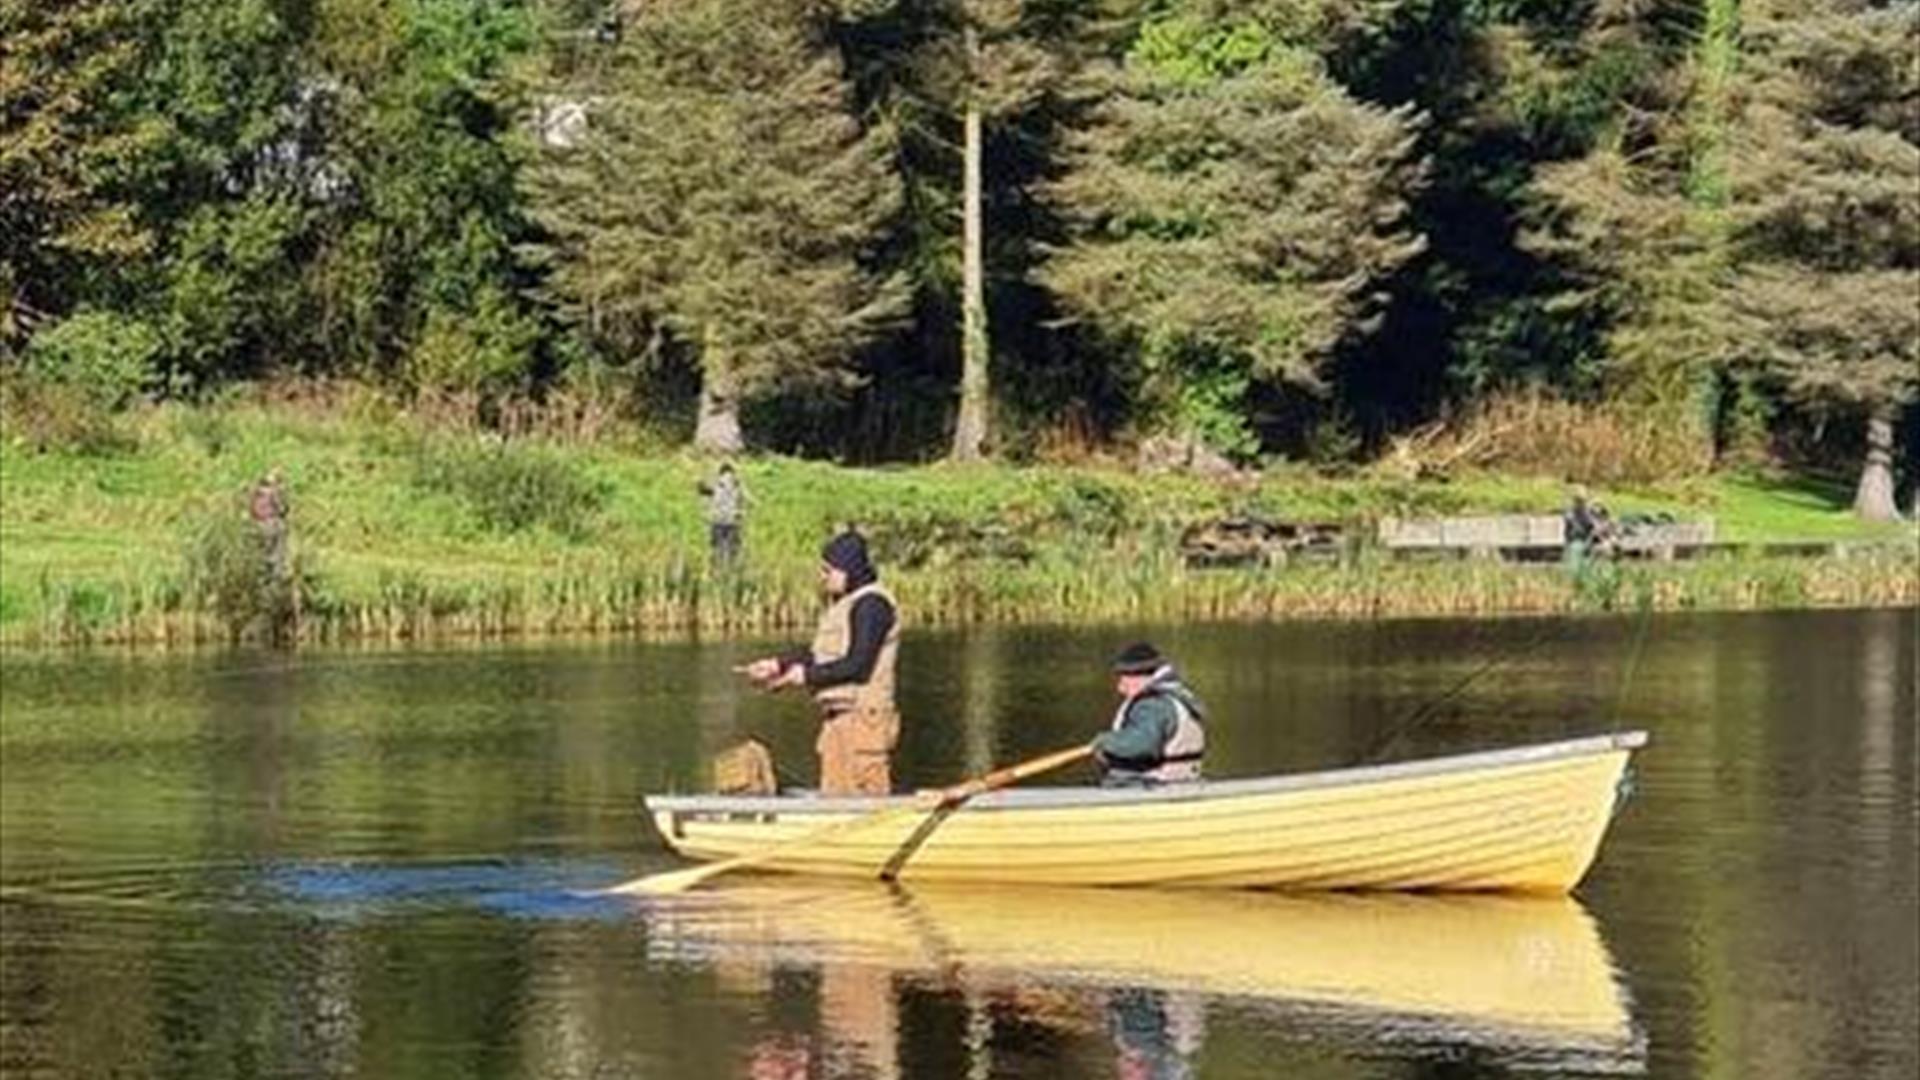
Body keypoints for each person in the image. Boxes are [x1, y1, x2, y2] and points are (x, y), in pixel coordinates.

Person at [742, 530, 901, 796]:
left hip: (864, 721)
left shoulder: (872, 605)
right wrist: (779, 666)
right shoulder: (843, 605)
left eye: (828, 571)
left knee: (862, 798)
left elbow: (858, 665)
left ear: (848, 569)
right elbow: (822, 658)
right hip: (838, 721)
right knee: (834, 794)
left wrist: (803, 676)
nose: (822, 577)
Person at [1093, 642, 1206, 787]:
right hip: (1178, 782)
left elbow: (1142, 743)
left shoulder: (1153, 706)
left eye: (1124, 681)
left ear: (1140, 676)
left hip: (1152, 785)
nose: (1120, 689)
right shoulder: (1173, 697)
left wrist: (1106, 742)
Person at [697, 462, 747, 567]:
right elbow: (703, 490)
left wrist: (699, 481)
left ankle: (720, 569)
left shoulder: (719, 486)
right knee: (729, 550)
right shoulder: (736, 486)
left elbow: (703, 491)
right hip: (728, 522)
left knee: (719, 549)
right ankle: (726, 569)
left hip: (722, 522)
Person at [249, 466, 290, 583]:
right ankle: (276, 575)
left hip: (257, 523)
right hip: (272, 523)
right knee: (277, 548)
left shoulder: (255, 492)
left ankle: (262, 573)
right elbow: (281, 508)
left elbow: (251, 509)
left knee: (262, 550)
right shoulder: (274, 492)